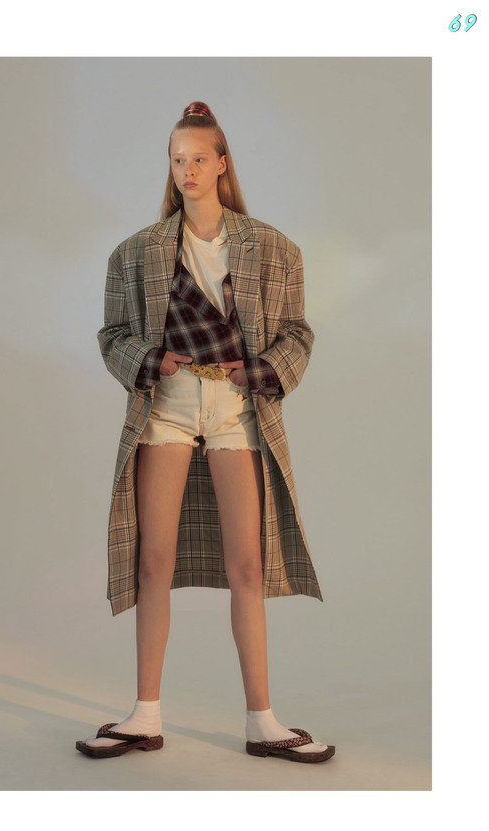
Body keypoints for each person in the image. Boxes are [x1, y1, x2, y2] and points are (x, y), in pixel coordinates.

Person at [77, 102, 334, 764]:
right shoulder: (136, 252)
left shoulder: (273, 248)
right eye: (177, 160)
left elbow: (297, 333)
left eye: (198, 158)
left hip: (235, 407)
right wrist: (150, 360)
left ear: (222, 163)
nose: (187, 170)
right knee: (153, 562)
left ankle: (262, 721)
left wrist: (260, 371)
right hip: (165, 406)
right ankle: (145, 715)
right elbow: (111, 335)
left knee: (248, 564)